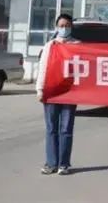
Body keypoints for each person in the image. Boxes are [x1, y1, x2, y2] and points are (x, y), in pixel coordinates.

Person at [35, 13, 79, 175]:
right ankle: (51, 163)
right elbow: (43, 67)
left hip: (70, 93)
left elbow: (84, 69)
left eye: (67, 26)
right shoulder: (50, 46)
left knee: (66, 129)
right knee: (51, 128)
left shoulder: (78, 45)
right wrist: (40, 89)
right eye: (61, 26)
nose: (64, 28)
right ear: (56, 27)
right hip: (52, 92)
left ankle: (64, 164)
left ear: (71, 27)